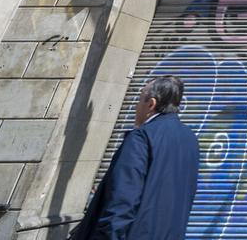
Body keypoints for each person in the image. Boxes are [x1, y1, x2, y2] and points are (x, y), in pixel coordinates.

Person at [71, 75, 200, 240]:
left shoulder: (141, 137)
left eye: (139, 100)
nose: (136, 107)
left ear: (151, 104)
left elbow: (122, 200)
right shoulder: (190, 140)